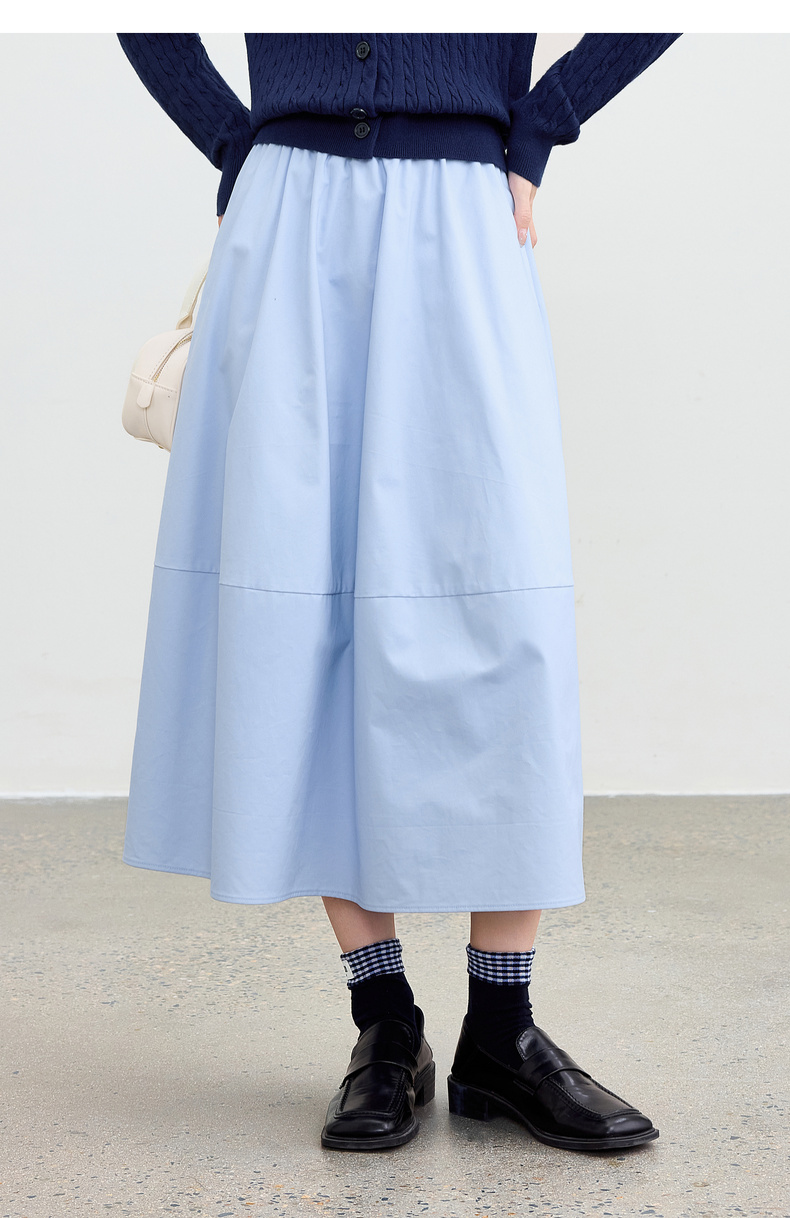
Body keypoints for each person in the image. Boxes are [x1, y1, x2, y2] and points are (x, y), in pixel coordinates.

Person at [116, 31, 682, 1154]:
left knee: (499, 610)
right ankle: (384, 1020)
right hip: (286, 210)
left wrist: (543, 120)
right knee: (298, 608)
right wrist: (235, 142)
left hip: (462, 207)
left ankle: (502, 1031)